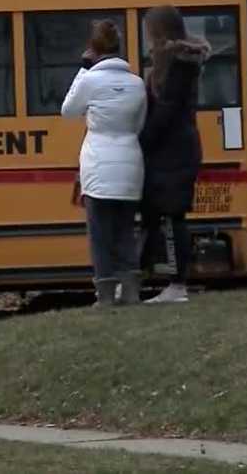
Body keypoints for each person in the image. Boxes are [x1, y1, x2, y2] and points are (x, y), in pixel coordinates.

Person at [62, 19, 147, 307]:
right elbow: (139, 124)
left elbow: (68, 110)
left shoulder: (89, 79)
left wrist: (83, 69)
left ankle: (106, 295)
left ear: (93, 50)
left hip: (98, 163)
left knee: (100, 232)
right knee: (125, 229)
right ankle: (132, 290)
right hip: (131, 161)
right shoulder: (137, 84)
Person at [140, 5, 210, 304]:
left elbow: (167, 109)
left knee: (173, 216)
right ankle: (165, 278)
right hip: (173, 147)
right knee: (164, 214)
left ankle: (177, 283)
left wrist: (142, 140)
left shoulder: (178, 63)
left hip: (174, 149)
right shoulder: (173, 61)